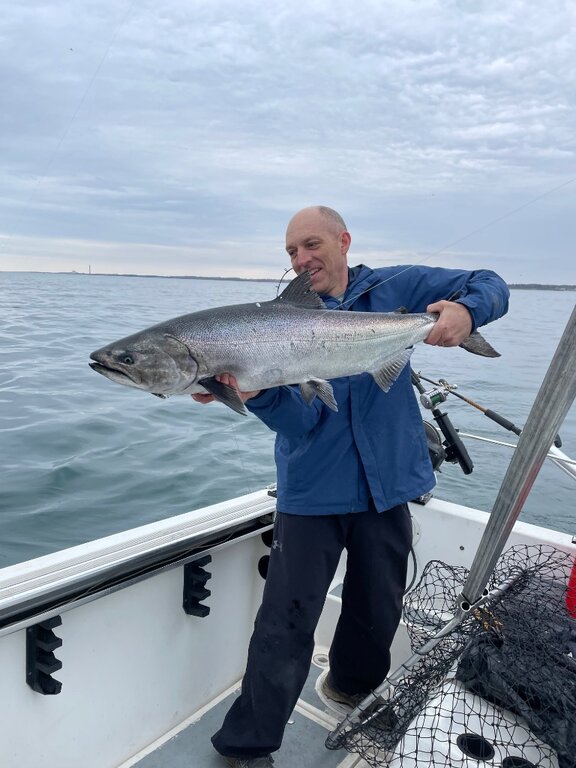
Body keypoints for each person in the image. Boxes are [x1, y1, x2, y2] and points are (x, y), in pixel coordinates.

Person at [193, 206, 510, 768]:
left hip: (388, 485)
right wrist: (255, 391)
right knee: (284, 625)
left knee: (377, 608)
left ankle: (351, 689)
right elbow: (301, 424)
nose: (301, 259)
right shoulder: (272, 323)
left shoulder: (397, 286)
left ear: (343, 241)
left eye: (310, 244)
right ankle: (247, 746)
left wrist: (465, 310)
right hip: (313, 491)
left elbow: (491, 282)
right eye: (290, 252)